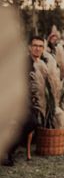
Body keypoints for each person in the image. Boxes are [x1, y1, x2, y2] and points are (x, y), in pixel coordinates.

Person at [1, 36, 46, 166]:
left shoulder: (44, 62)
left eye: (40, 46)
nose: (37, 48)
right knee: (30, 121)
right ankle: (7, 151)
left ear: (43, 49)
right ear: (30, 47)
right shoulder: (25, 63)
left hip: (37, 101)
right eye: (35, 45)